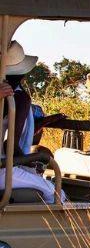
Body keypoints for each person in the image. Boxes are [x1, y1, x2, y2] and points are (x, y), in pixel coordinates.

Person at [1, 41, 66, 203]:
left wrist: (45, 121)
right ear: (22, 73)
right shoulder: (19, 98)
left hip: (5, 166)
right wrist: (31, 161)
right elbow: (10, 145)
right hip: (3, 170)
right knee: (57, 193)